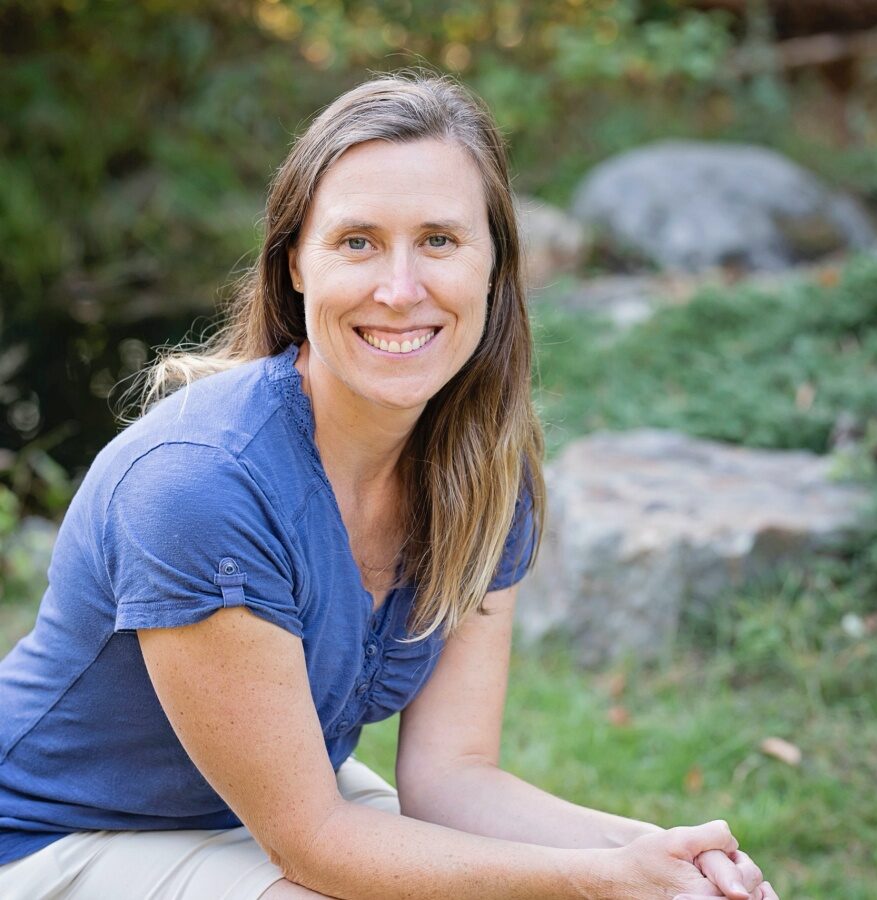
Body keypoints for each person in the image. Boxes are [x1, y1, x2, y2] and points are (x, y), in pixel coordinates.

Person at [0, 71, 778, 899]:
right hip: (52, 837)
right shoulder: (201, 484)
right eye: (358, 242)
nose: (400, 291)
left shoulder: (484, 470)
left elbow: (453, 782)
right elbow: (316, 844)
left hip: (261, 811)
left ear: (494, 266)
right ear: (295, 262)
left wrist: (666, 856)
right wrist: (600, 882)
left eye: (440, 241)